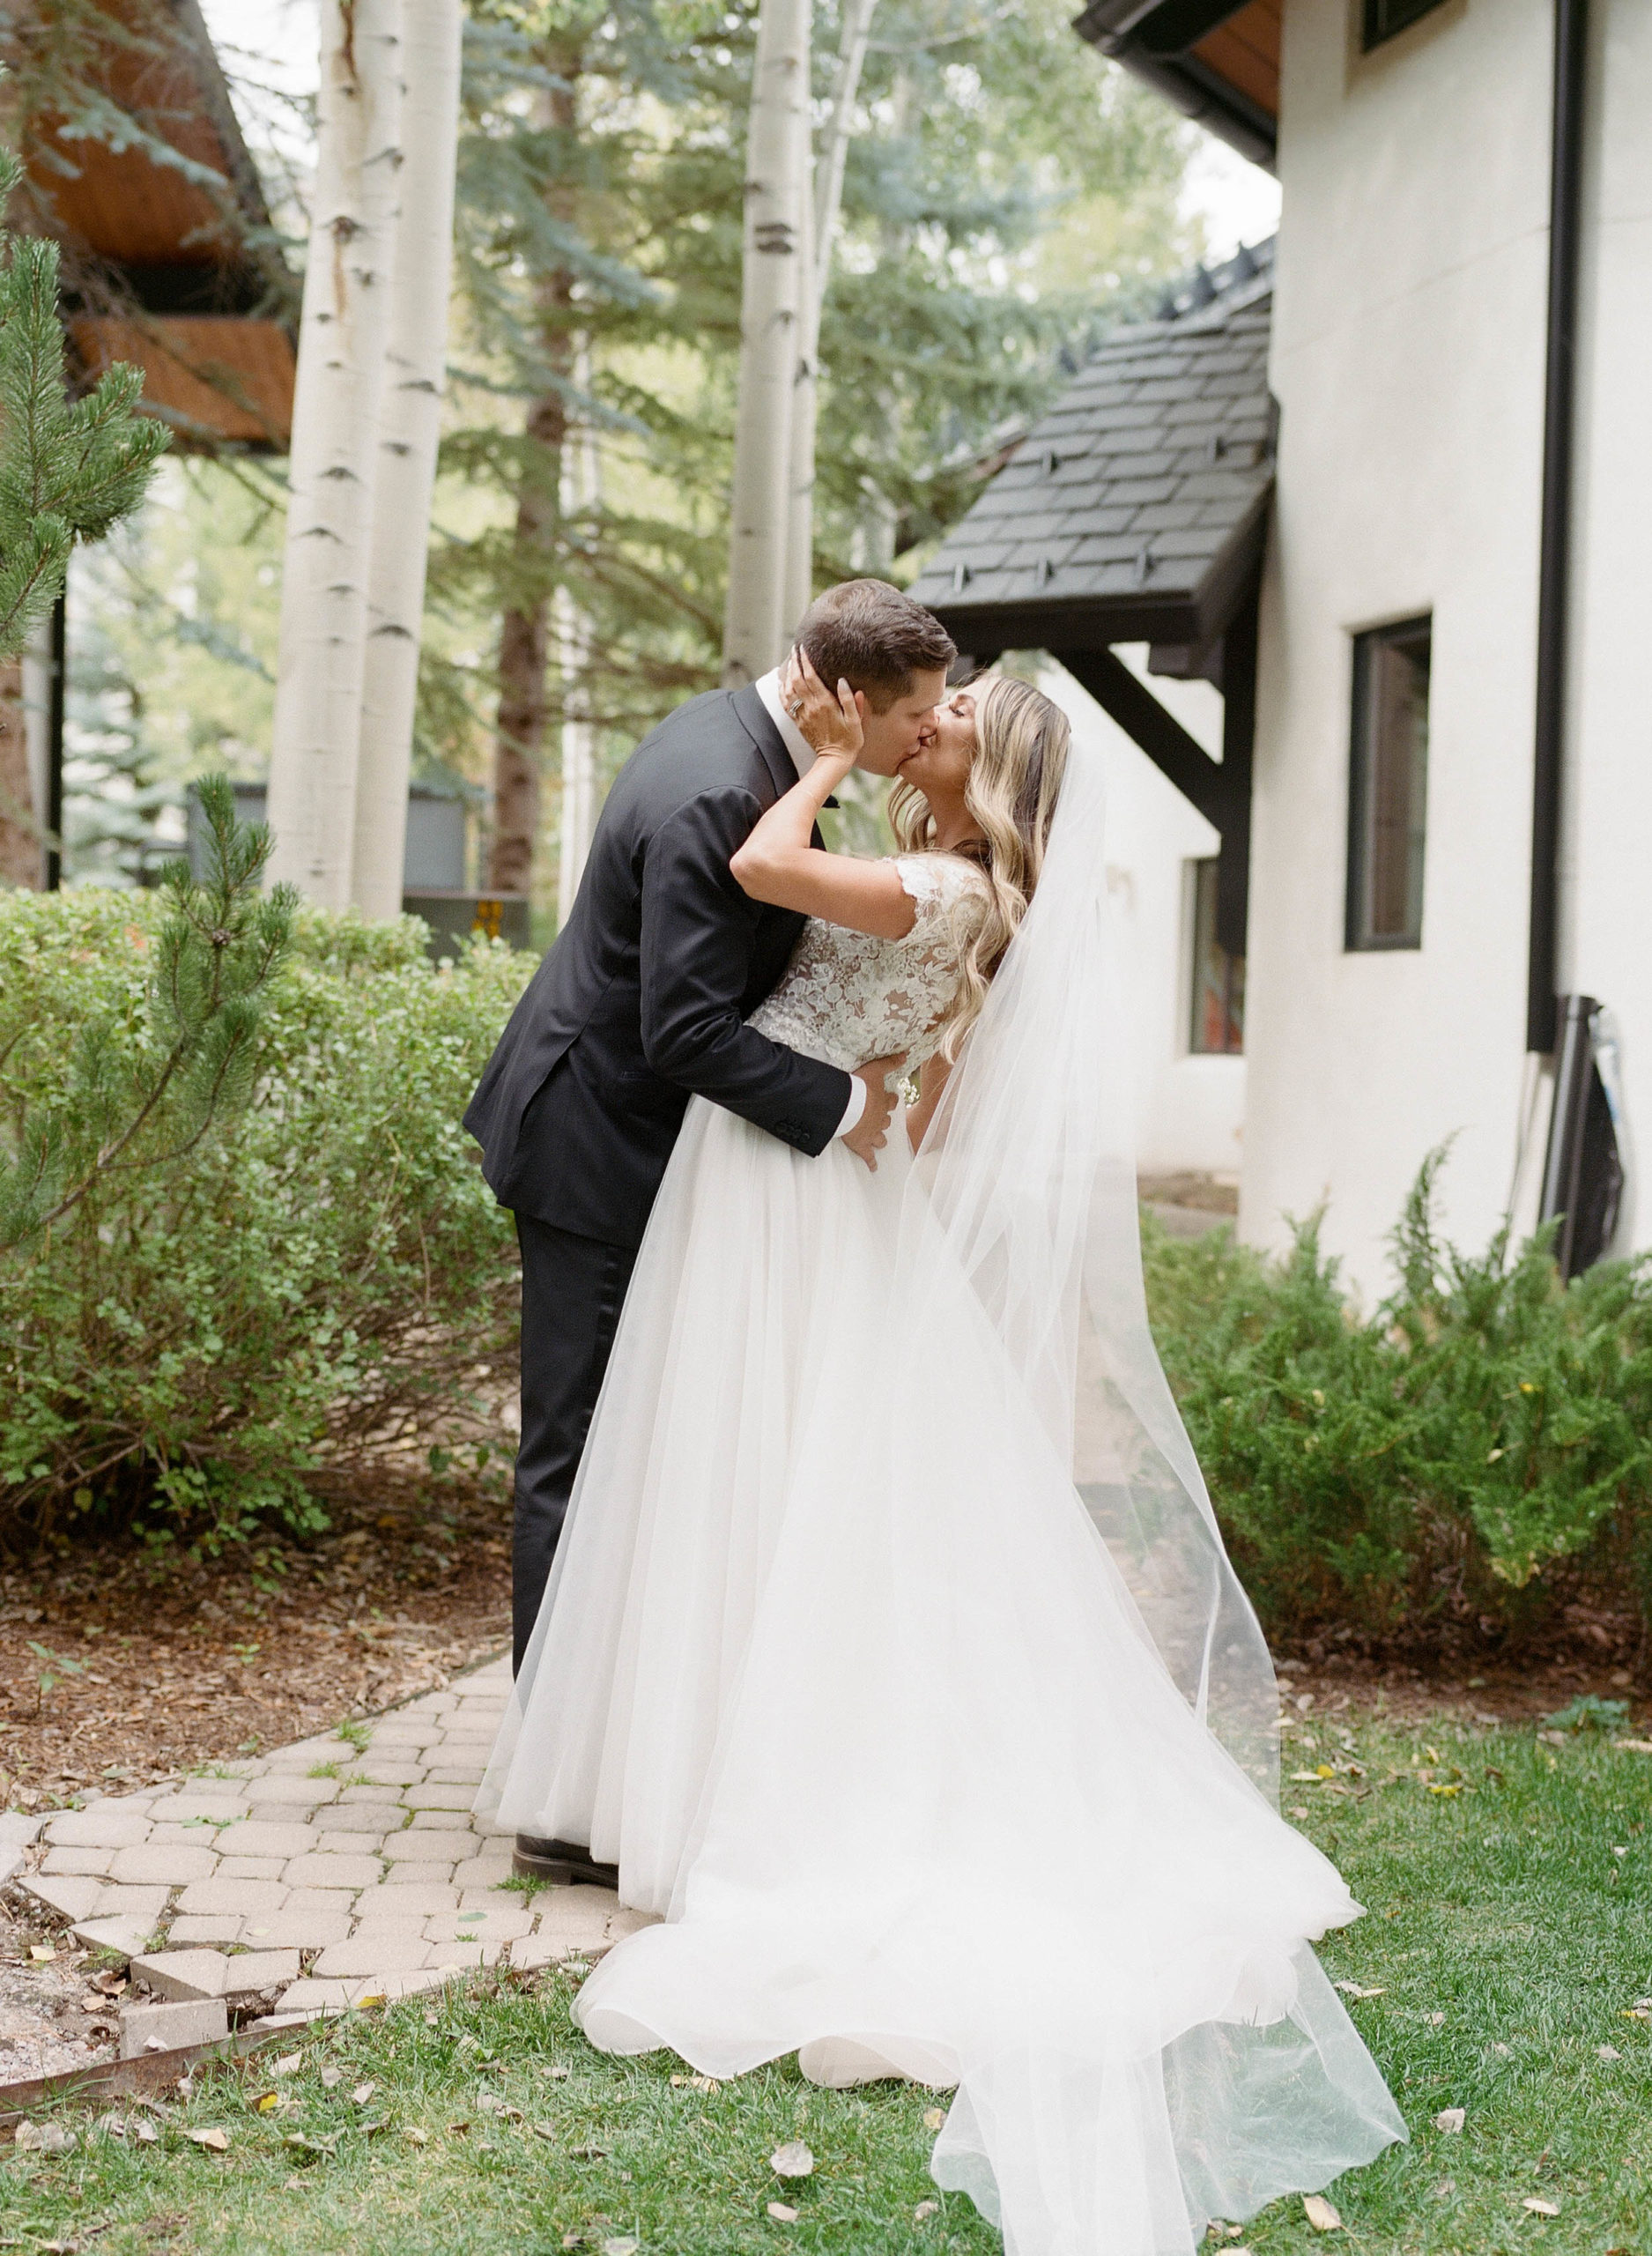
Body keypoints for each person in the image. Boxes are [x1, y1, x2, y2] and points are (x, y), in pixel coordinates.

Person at [480, 663, 1405, 2254]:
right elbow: (924, 1084)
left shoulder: (939, 881)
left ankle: (704, 1768)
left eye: (959, 711)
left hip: (787, 1191)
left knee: (740, 1467)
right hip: (809, 1184)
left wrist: (825, 760)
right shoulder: (968, 895)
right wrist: (879, 1085)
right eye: (937, 696)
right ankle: (689, 1755)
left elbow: (772, 878)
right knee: (769, 1478)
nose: (939, 714)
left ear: (993, 766)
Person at [463, 578, 955, 1884]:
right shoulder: (717, 793)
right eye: (912, 719)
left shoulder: (752, 748)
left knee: (641, 1451)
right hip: (592, 1144)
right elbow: (682, 1029)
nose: (926, 738)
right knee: (576, 1452)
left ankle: (622, 1747)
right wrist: (843, 1105)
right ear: (844, 698)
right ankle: (561, 1797)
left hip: (647, 1145)